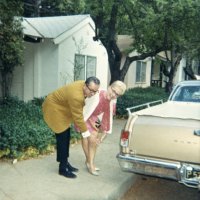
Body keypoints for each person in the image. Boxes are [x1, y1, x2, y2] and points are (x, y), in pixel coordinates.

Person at [42, 77, 100, 179]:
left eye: (95, 91)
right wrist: (86, 134)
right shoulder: (76, 96)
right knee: (63, 138)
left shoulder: (84, 86)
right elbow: (78, 117)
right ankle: (62, 168)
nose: (92, 94)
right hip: (54, 108)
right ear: (85, 85)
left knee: (66, 136)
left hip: (62, 108)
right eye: (91, 90)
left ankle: (65, 162)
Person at [81, 80, 126, 176]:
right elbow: (84, 105)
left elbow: (108, 117)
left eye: (117, 94)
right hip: (84, 115)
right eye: (113, 91)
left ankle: (89, 161)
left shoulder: (111, 102)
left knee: (96, 139)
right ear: (109, 87)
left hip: (94, 118)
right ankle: (90, 163)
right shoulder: (97, 93)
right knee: (90, 138)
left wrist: (104, 133)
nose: (114, 95)